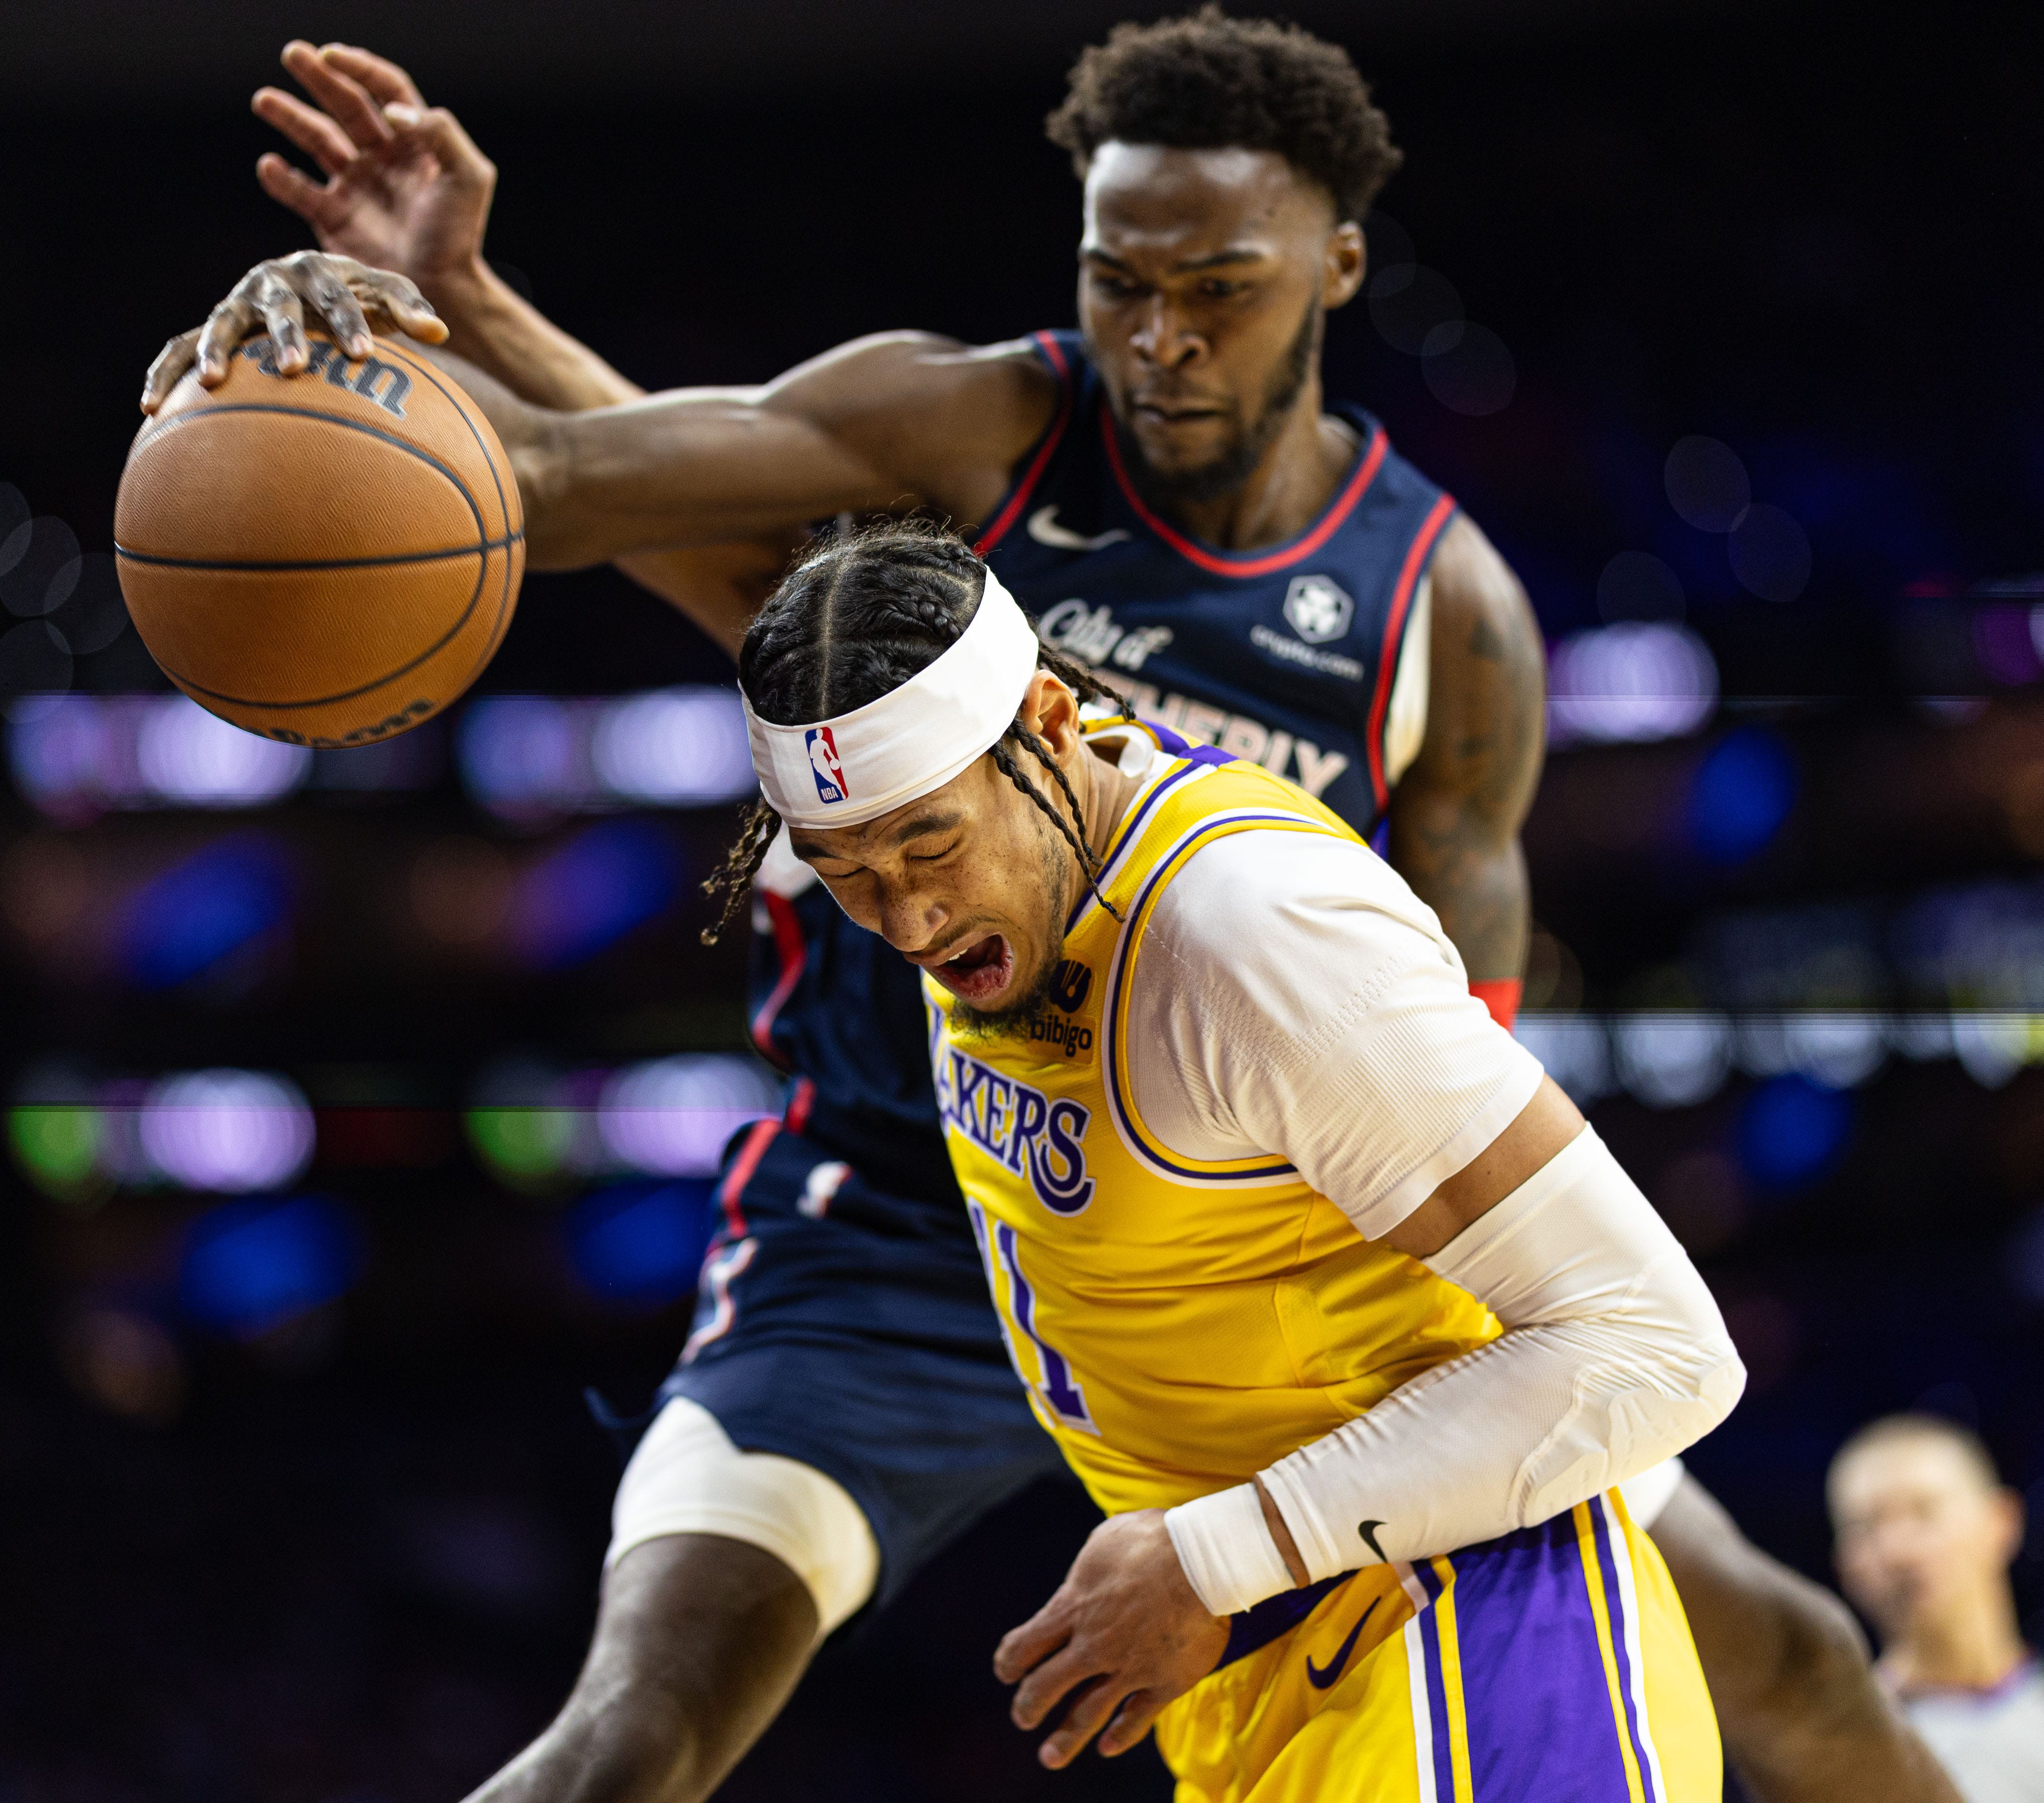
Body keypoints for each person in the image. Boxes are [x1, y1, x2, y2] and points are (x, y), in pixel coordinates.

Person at [144, 16, 1959, 1802]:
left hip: (1234, 1239)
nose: (1157, 340)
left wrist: (1386, 1475)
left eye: (1217, 288)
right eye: (1117, 281)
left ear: (1335, 266)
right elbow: (585, 504)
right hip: (907, 1221)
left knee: (1773, 1641)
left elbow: (1463, 1066)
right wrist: (340, 371)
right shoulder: (969, 420)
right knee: (633, 1729)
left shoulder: (1439, 613)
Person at [722, 519, 1744, 1796]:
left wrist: (1214, 1553)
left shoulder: (1249, 938)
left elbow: (1655, 1346)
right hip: (1284, 1660)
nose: (909, 915)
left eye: (932, 846)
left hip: (1462, 1668)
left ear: (1046, 723)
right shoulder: (994, 863)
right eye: (850, 877)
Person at [1831, 1415, 2044, 1803]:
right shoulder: (1834, 1750)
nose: (1898, 1550)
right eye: (1866, 1525)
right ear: (1845, 1565)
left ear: (2002, 1522)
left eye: (1925, 1511)